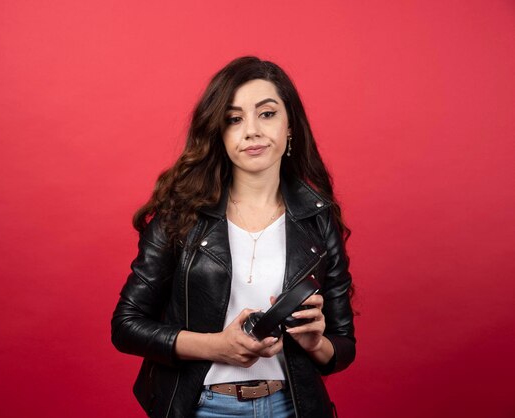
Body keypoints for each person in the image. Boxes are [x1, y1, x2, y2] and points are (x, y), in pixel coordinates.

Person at [111, 56, 355, 418]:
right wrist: (215, 346)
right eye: (234, 119)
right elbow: (126, 326)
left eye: (267, 113)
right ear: (218, 133)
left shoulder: (317, 220)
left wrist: (316, 343)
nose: (252, 130)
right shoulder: (181, 215)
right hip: (202, 408)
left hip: (291, 407)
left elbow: (344, 346)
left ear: (290, 125)